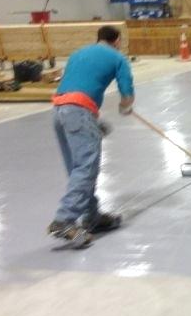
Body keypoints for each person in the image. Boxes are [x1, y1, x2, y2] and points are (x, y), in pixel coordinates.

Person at [47, 25, 135, 242]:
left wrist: (93, 121)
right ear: (117, 40)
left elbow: (76, 86)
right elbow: (127, 92)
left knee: (77, 168)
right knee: (86, 168)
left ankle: (92, 216)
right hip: (79, 113)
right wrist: (125, 107)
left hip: (59, 111)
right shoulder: (118, 57)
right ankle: (65, 220)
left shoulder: (78, 54)